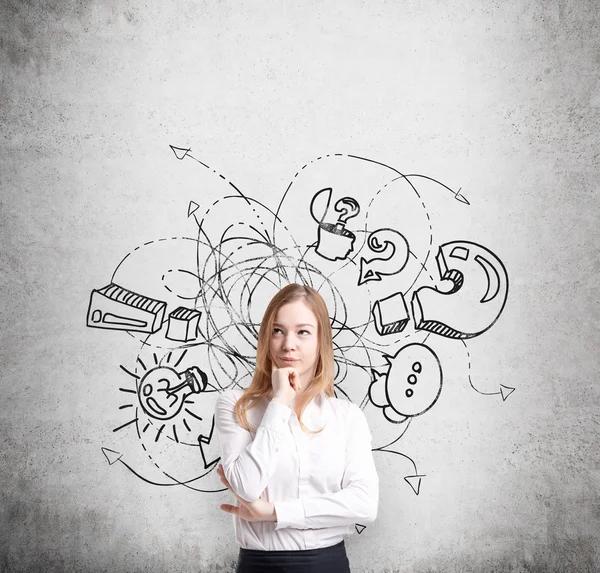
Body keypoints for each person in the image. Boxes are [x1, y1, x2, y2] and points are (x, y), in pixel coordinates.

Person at [214, 283, 379, 572]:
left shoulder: (347, 417)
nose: (288, 344)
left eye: (303, 332)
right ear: (267, 338)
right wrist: (280, 402)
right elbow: (247, 485)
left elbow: (365, 505)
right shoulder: (235, 405)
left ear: (320, 341)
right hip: (260, 565)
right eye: (278, 331)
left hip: (329, 564)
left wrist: (275, 513)